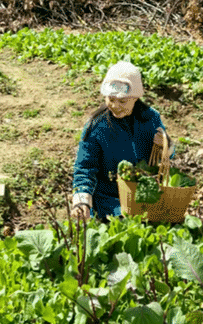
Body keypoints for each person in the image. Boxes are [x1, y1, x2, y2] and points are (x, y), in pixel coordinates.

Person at [71, 61, 173, 221]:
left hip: (145, 198)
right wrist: (81, 202)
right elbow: (85, 167)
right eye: (110, 99)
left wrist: (166, 145)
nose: (115, 106)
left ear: (136, 98)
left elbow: (166, 159)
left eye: (122, 101)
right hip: (108, 204)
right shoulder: (96, 126)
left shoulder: (151, 119)